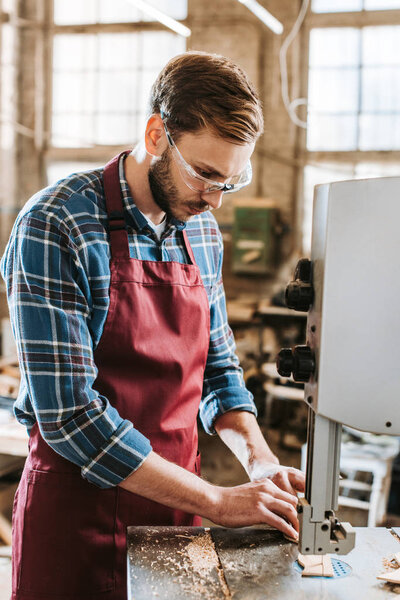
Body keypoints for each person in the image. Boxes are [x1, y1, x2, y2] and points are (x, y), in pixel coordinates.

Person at [1, 51, 305, 600]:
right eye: (206, 175)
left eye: (230, 184)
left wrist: (260, 463)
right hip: (76, 517)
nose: (214, 201)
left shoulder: (201, 232)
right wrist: (217, 501)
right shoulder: (58, 224)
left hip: (174, 510)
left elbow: (218, 372)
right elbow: (70, 416)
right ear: (157, 133)